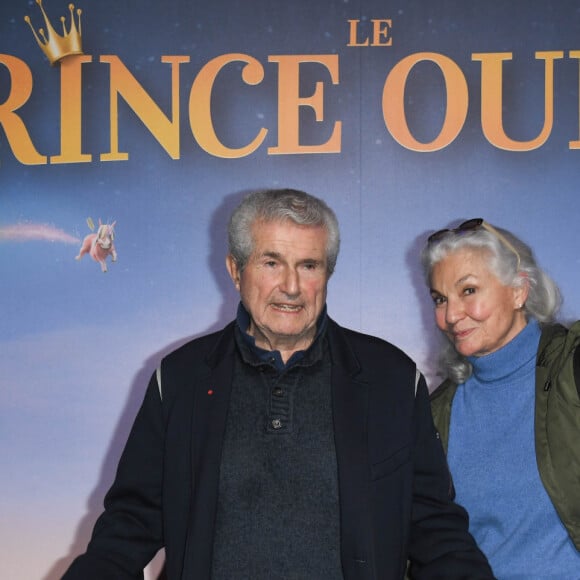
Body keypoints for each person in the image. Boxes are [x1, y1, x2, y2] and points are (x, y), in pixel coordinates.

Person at [63, 190, 494, 580]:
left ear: (327, 274)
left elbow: (434, 529)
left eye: (309, 265)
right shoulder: (179, 379)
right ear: (236, 270)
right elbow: (130, 524)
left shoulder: (392, 379)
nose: (291, 287)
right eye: (271, 263)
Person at [421, 218, 580, 579]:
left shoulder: (572, 369)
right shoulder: (436, 412)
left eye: (469, 291)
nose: (451, 315)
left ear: (519, 290)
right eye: (440, 299)